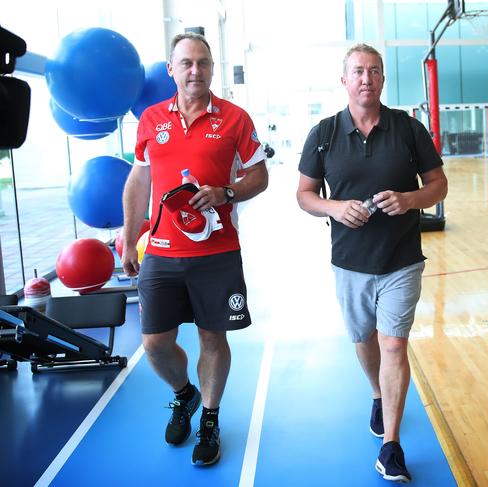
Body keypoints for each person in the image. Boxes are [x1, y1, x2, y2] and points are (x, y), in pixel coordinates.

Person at [296, 44, 448, 483]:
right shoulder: (323, 134)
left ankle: (392, 446)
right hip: (349, 263)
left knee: (395, 344)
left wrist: (409, 199)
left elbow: (438, 185)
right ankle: (378, 393)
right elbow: (305, 196)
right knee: (365, 340)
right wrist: (335, 208)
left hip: (401, 259)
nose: (366, 78)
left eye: (374, 71)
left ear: (383, 80)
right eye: (358, 72)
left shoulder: (408, 129)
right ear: (344, 80)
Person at [121, 32, 268, 467]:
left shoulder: (236, 119)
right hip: (162, 252)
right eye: (186, 63)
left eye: (202, 63)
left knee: (211, 337)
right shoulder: (150, 119)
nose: (195, 71)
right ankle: (184, 394)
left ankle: (209, 416)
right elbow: (139, 180)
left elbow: (260, 176)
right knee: (154, 344)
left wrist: (226, 192)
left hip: (216, 252)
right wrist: (130, 238)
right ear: (171, 69)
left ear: (211, 69)